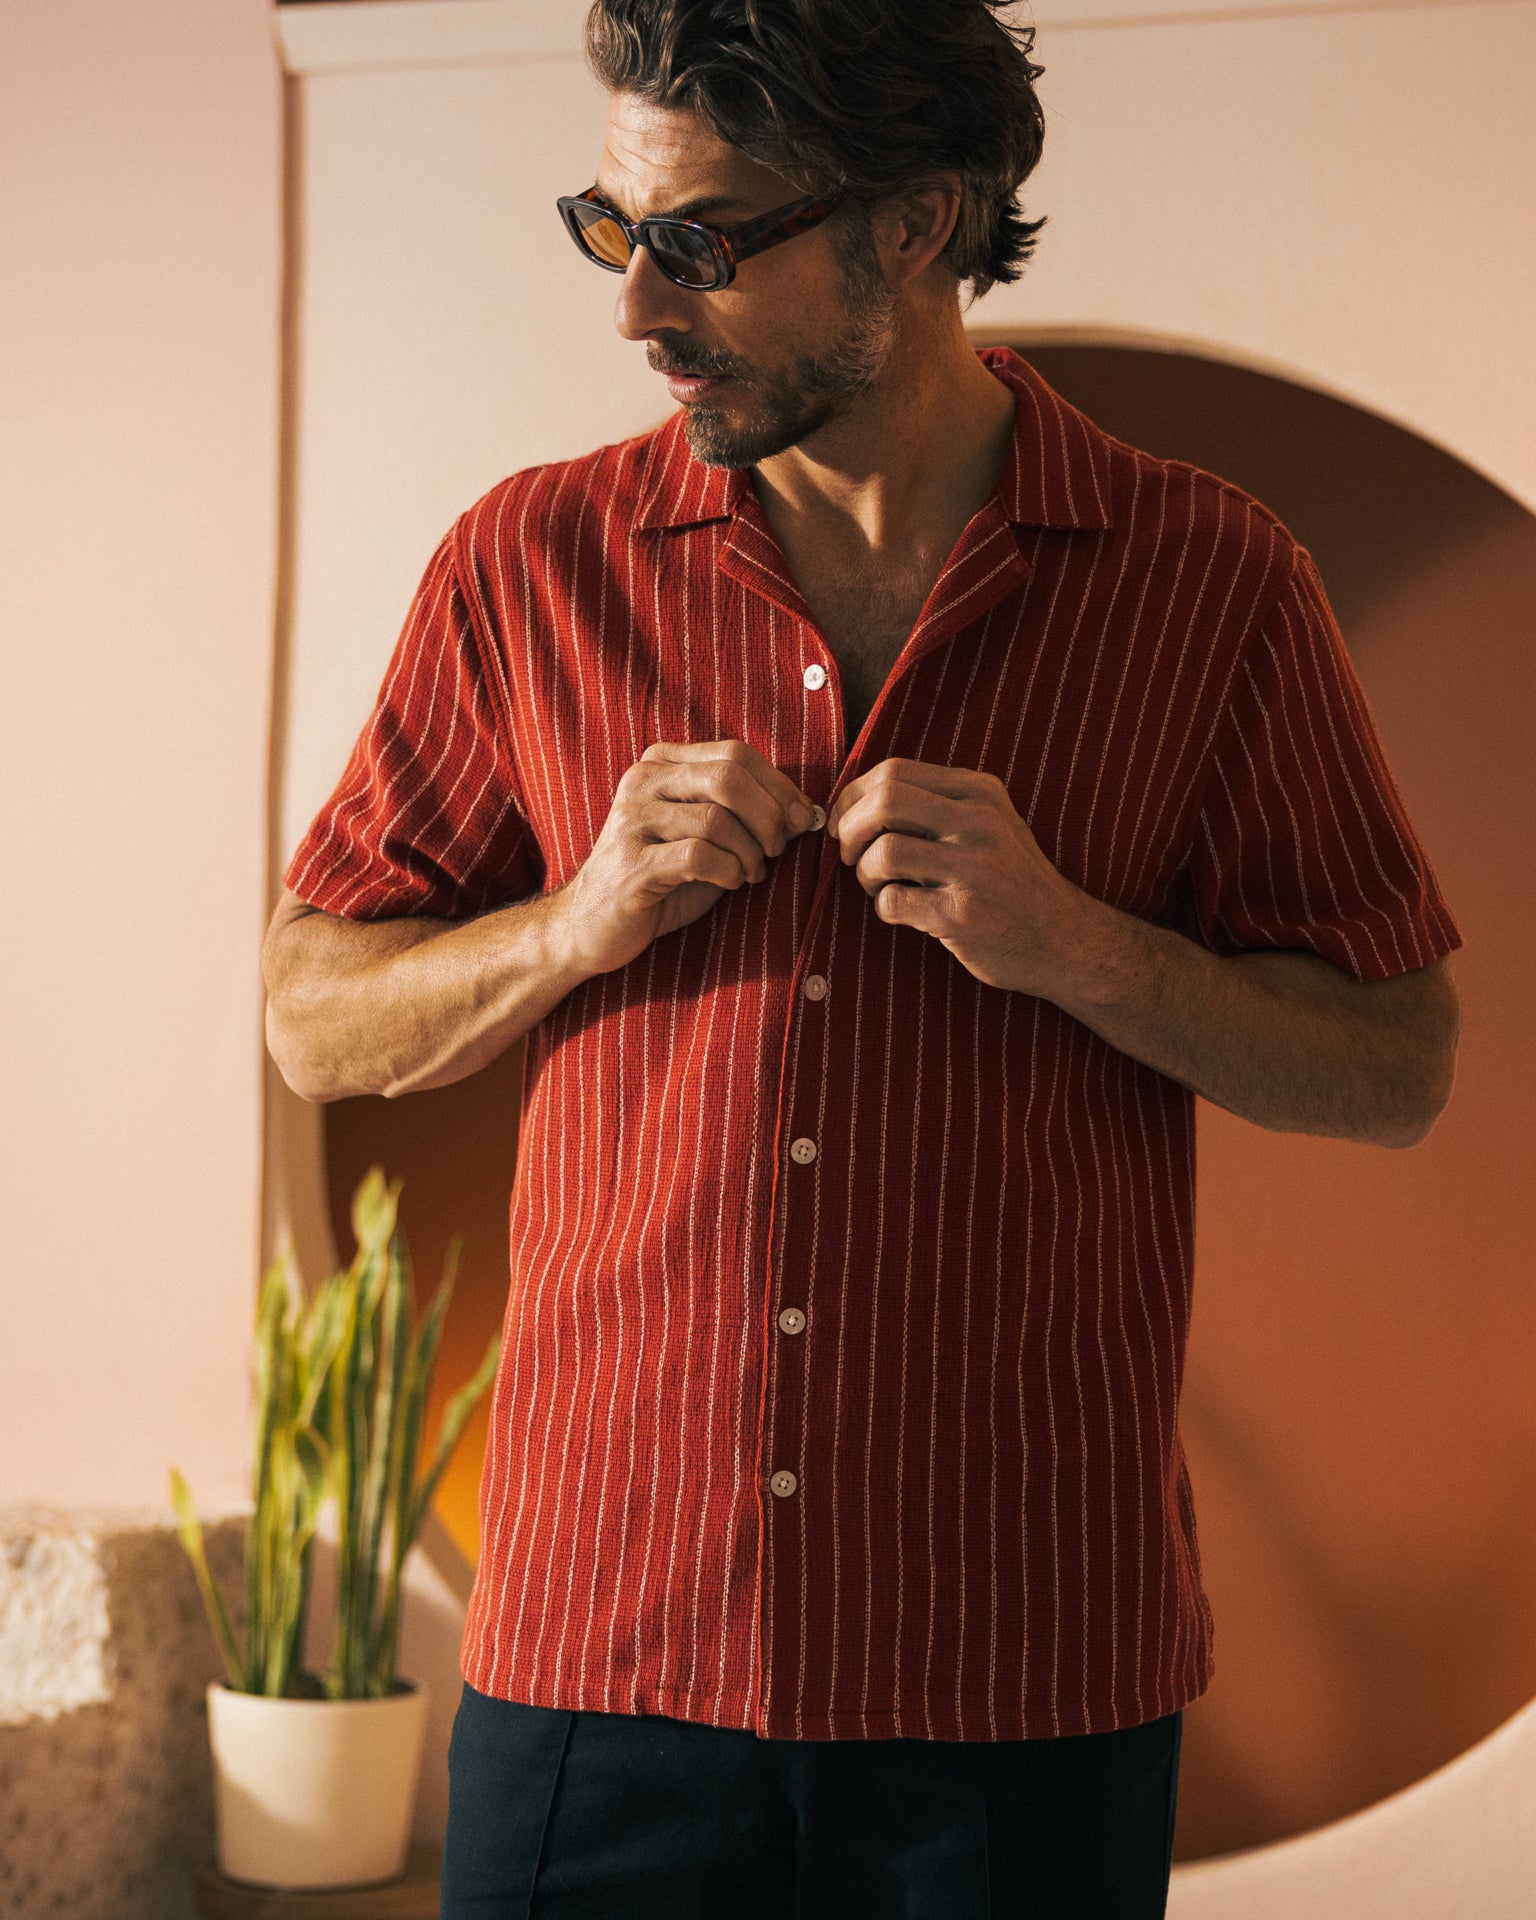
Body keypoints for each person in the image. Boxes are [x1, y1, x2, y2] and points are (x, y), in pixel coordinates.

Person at [262, 1, 1463, 1913]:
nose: (639, 313)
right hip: (600, 1655)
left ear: (916, 226)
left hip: (1018, 1673)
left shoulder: (1209, 581)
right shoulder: (529, 565)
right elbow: (314, 1015)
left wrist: (1078, 945)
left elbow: (1399, 1063)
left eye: (703, 243)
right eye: (612, 227)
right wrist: (574, 924)